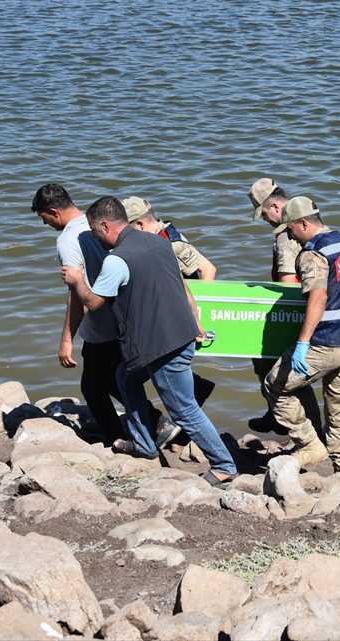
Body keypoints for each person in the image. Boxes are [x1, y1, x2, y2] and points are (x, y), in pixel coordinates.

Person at [61, 197, 237, 487]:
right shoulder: (158, 242)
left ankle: (223, 464)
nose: (94, 237)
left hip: (162, 346)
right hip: (177, 333)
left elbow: (93, 303)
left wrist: (77, 280)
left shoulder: (116, 260)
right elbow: (182, 286)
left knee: (183, 408)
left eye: (93, 231)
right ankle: (144, 444)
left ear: (105, 225)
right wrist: (195, 320)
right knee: (125, 378)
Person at [262, 197, 340, 488]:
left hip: (327, 341)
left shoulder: (312, 253)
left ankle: (309, 443)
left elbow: (318, 297)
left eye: (291, 229)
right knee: (339, 405)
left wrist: (303, 343)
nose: (291, 236)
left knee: (275, 385)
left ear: (304, 223)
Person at [31, 183, 125, 446]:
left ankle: (123, 436)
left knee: (94, 387)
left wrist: (66, 340)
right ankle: (138, 428)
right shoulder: (98, 223)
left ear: (54, 212)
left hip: (101, 325)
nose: (45, 224)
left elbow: (76, 296)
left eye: (44, 218)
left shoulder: (67, 240)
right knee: (110, 380)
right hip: (123, 318)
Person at [121, 196, 217, 441]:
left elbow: (208, 269)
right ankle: (195, 394)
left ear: (140, 224)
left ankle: (180, 422)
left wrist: (196, 314)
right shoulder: (156, 239)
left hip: (180, 317)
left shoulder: (171, 242)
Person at [245, 177, 318, 435]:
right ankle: (277, 415)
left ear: (275, 207)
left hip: (295, 311)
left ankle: (300, 426)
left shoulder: (285, 236)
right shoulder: (311, 223)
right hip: (314, 305)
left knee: (274, 368)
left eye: (264, 214)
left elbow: (288, 283)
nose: (264, 220)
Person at [122, 196, 217, 280]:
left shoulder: (173, 243)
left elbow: (208, 269)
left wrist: (199, 295)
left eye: (128, 229)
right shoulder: (150, 238)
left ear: (140, 224)